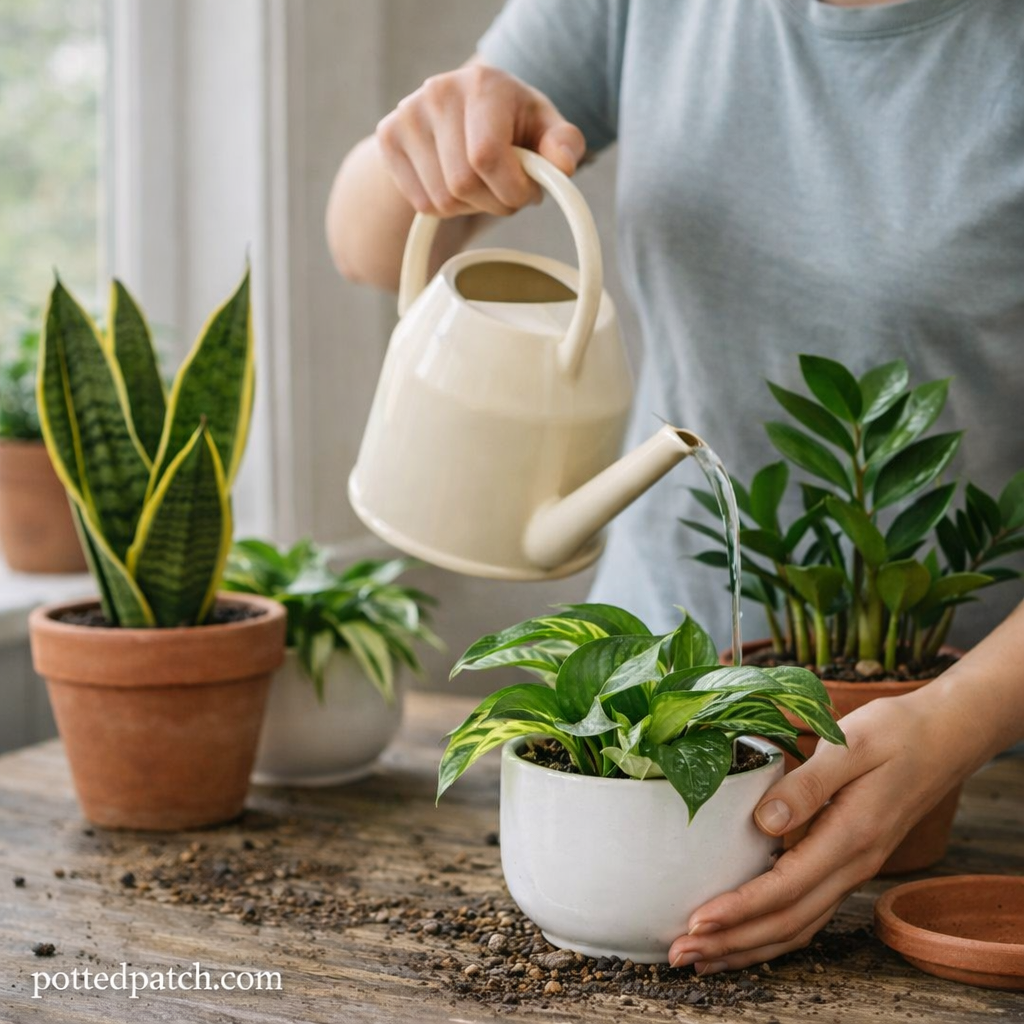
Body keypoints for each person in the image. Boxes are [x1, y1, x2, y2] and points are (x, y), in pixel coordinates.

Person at [325, 0, 1024, 972]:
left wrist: (955, 721)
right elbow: (362, 241)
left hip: (969, 780)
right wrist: (438, 146)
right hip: (645, 721)